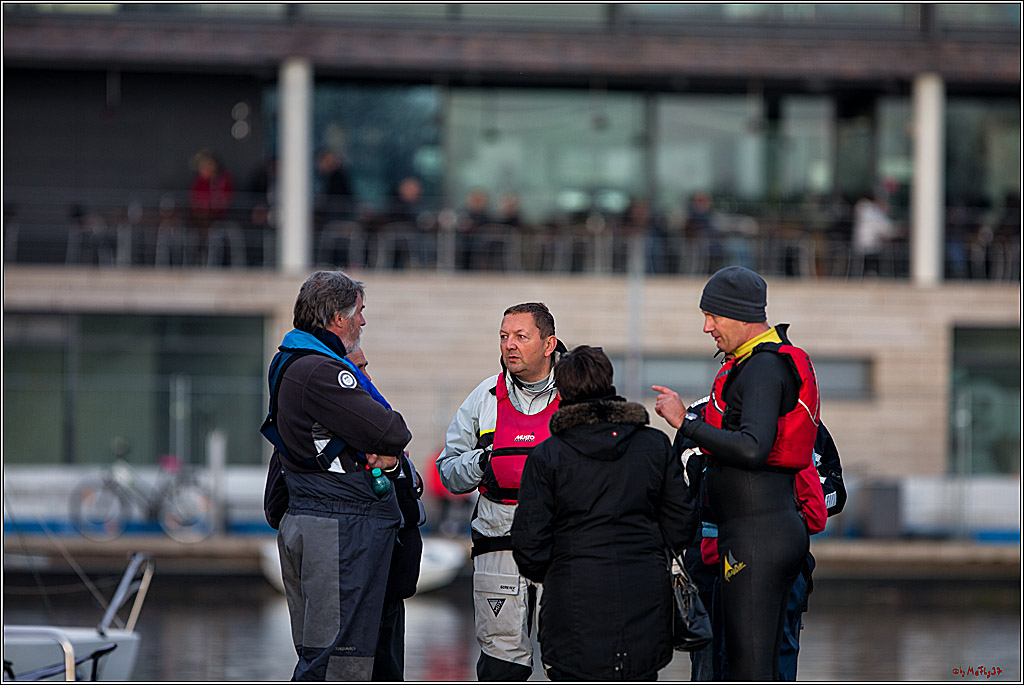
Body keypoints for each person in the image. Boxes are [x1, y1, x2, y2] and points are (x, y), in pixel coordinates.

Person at [653, 265, 821, 681]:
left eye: (713, 316)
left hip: (759, 536)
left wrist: (683, 423)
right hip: (754, 532)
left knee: (749, 667)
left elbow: (753, 446)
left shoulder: (763, 368)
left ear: (742, 315)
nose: (707, 327)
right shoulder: (752, 363)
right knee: (750, 663)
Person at [511, 345, 699, 681]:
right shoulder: (654, 445)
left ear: (563, 391)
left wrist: (560, 568)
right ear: (610, 383)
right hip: (645, 599)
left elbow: (529, 546)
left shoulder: (547, 456)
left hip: (572, 604)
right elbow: (682, 525)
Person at [269, 270, 413, 680]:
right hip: (340, 530)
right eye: (359, 313)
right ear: (337, 317)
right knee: (337, 661)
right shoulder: (320, 370)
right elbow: (393, 431)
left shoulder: (290, 362)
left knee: (327, 654)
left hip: (322, 521)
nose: (363, 322)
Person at [436, 302, 565, 681]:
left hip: (564, 547)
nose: (510, 345)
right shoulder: (483, 398)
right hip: (497, 546)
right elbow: (448, 471)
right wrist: (483, 463)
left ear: (549, 344)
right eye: (504, 336)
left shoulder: (576, 394)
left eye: (521, 337)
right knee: (500, 664)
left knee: (571, 658)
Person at [345, 348, 426, 682]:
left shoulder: (382, 420)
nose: (366, 375)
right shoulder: (336, 425)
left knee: (388, 666)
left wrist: (395, 465)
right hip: (356, 572)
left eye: (366, 367)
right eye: (357, 368)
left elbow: (412, 487)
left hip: (392, 574)